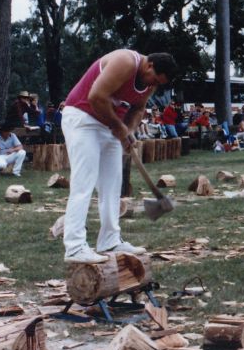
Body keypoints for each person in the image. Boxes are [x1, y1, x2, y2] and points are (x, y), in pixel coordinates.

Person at [61, 49, 177, 264]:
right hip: (83, 118)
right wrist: (119, 128)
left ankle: (110, 240)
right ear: (149, 65)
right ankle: (75, 247)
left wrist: (129, 131)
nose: (153, 84)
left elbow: (138, 108)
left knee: (113, 185)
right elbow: (95, 97)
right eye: (154, 78)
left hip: (109, 125)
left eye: (158, 83)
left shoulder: (150, 84)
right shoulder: (126, 61)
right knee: (83, 184)